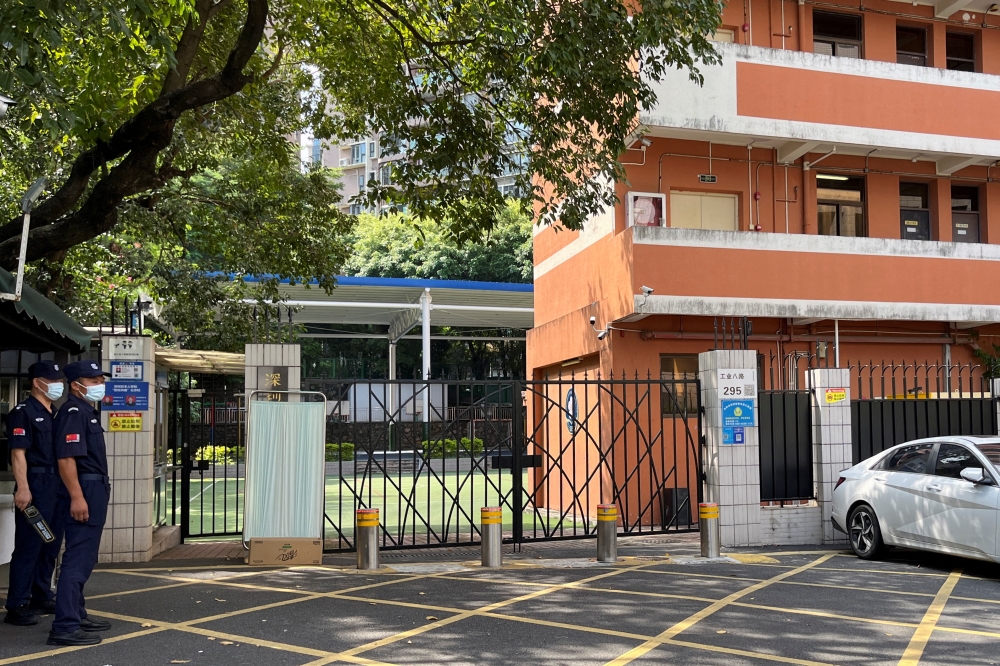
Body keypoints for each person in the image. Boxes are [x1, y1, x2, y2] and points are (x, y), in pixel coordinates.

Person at [47, 360, 112, 646]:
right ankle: (65, 625)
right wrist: (77, 496)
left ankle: (77, 613)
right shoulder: (74, 412)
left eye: (101, 379)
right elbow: (66, 459)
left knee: (85, 556)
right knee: (78, 557)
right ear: (77, 385)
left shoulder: (86, 411)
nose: (100, 385)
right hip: (83, 488)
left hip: (92, 487)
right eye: (94, 380)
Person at [4, 361, 67, 626]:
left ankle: (41, 594)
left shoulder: (56, 412)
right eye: (51, 380)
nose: (57, 385)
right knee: (30, 545)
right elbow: (18, 453)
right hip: (36, 485)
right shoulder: (23, 412)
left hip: (56, 485)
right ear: (37, 383)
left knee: (51, 542)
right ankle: (17, 604)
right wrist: (24, 488)